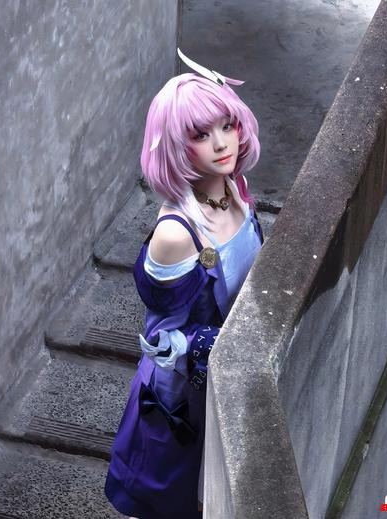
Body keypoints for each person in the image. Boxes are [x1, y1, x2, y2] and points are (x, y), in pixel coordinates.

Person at [105, 50, 263, 519]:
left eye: (227, 126)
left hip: (231, 368)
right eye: (200, 134)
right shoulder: (176, 234)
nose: (221, 143)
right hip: (186, 390)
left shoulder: (234, 188)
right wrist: (217, 347)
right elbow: (162, 336)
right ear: (175, 145)